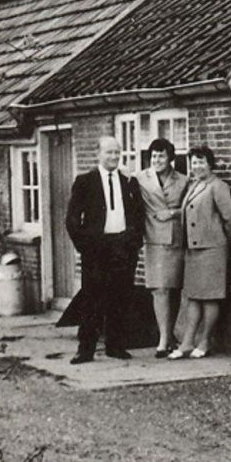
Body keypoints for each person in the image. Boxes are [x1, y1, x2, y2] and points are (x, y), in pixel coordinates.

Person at [64, 135, 143, 364]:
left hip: (123, 247)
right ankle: (86, 349)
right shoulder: (85, 181)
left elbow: (138, 214)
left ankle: (115, 346)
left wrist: (133, 242)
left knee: (120, 297)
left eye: (117, 152)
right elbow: (72, 219)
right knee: (92, 298)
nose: (114, 156)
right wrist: (85, 246)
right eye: (109, 152)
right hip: (96, 249)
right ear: (98, 153)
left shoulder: (129, 181)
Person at [169, 145, 231, 359]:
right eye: (193, 163)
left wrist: (219, 240)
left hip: (211, 249)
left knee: (209, 298)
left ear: (210, 164)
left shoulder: (218, 186)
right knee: (193, 297)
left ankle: (205, 341)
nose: (197, 166)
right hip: (193, 249)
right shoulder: (194, 185)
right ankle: (187, 342)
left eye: (201, 162)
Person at [136, 138, 189, 358]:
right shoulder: (140, 178)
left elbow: (191, 207)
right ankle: (163, 339)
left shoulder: (183, 180)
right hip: (154, 239)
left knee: (173, 288)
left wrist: (173, 213)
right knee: (159, 289)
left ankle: (171, 335)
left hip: (176, 239)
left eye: (161, 156)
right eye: (154, 156)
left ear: (171, 158)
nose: (157, 160)